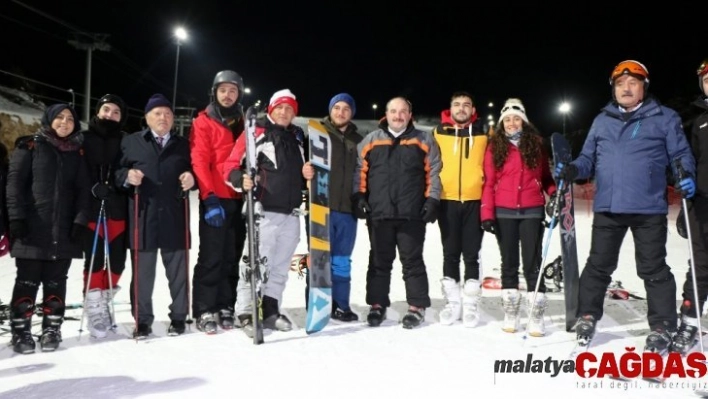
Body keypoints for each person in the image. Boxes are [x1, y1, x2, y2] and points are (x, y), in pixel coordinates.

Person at [555, 60, 696, 352]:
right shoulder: (602, 120)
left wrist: (685, 174)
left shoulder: (664, 118)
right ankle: (588, 314)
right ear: (614, 89)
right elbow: (587, 160)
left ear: (644, 86)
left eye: (632, 83)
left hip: (648, 208)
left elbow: (680, 154)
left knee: (653, 269)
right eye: (620, 84)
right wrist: (571, 169)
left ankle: (662, 325)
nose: (626, 88)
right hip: (608, 206)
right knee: (598, 266)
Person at [223, 89, 314, 337]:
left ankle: (271, 308)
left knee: (281, 265)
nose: (285, 112)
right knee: (255, 262)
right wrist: (240, 180)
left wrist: (305, 174)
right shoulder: (255, 132)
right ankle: (246, 310)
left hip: (292, 213)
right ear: (272, 108)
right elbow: (230, 165)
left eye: (290, 109)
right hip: (264, 211)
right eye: (280, 107)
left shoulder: (295, 138)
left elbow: (293, 173)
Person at [6, 103, 91, 354]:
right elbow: (13, 187)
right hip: (33, 229)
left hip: (64, 231)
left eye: (70, 119)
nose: (65, 123)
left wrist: (80, 221)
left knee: (56, 283)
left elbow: (84, 192)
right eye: (59, 118)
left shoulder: (78, 153)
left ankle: (51, 328)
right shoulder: (29, 147)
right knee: (27, 282)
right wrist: (16, 219)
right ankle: (21, 331)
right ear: (49, 120)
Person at [352, 96, 442, 329]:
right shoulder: (371, 140)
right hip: (379, 213)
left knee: (412, 261)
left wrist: (432, 200)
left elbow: (434, 172)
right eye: (393, 111)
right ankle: (377, 304)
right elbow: (359, 170)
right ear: (386, 113)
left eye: (403, 111)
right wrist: (359, 196)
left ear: (410, 115)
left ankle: (417, 306)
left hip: (411, 214)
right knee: (379, 261)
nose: (398, 115)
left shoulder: (424, 139)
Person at [115, 93, 196, 340]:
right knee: (142, 275)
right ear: (147, 117)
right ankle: (142, 321)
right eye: (158, 113)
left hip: (174, 216)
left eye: (168, 114)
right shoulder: (131, 142)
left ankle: (180, 317)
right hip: (143, 217)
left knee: (179, 274)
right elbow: (117, 172)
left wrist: (192, 179)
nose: (164, 118)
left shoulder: (183, 144)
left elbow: (196, 170)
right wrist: (126, 176)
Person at [480, 98, 556, 336]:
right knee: (509, 264)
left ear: (523, 120)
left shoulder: (536, 144)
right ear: (502, 123)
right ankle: (511, 311)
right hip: (504, 211)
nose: (512, 123)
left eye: (516, 118)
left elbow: (545, 177)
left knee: (533, 264)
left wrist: (553, 194)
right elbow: (489, 181)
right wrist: (487, 213)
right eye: (508, 119)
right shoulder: (495, 147)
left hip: (532, 210)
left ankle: (535, 315)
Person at [189, 70, 248, 334]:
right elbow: (199, 161)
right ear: (215, 92)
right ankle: (204, 307)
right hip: (215, 198)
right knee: (212, 255)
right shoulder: (204, 121)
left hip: (239, 198)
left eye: (233, 90)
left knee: (232, 256)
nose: (227, 95)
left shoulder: (245, 122)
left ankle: (226, 304)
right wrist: (208, 196)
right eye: (223, 90)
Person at [302, 93, 362, 321]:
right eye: (337, 107)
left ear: (352, 112)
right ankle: (316, 305)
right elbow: (302, 166)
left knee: (342, 261)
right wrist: (304, 172)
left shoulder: (358, 140)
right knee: (318, 259)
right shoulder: (317, 135)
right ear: (331, 110)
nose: (341, 112)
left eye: (346, 108)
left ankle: (340, 305)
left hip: (347, 210)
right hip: (320, 208)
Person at [432, 91, 487, 327]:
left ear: (473, 110)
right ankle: (453, 304)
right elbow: (429, 165)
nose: (461, 109)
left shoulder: (486, 133)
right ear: (450, 108)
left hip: (475, 200)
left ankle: (471, 305)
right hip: (447, 200)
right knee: (451, 252)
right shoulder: (438, 132)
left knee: (472, 254)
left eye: (466, 105)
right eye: (457, 104)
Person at [79, 94, 129, 339]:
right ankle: (94, 307)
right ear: (98, 112)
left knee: (118, 262)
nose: (110, 115)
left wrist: (121, 183)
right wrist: (91, 186)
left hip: (117, 207)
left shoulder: (125, 140)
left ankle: (105, 297)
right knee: (95, 259)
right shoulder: (83, 138)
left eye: (116, 112)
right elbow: (75, 170)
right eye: (106, 110)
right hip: (91, 207)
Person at [671, 58, 708, 355]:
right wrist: (686, 205)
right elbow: (689, 163)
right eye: (707, 81)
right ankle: (690, 322)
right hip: (703, 205)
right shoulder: (698, 122)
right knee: (700, 266)